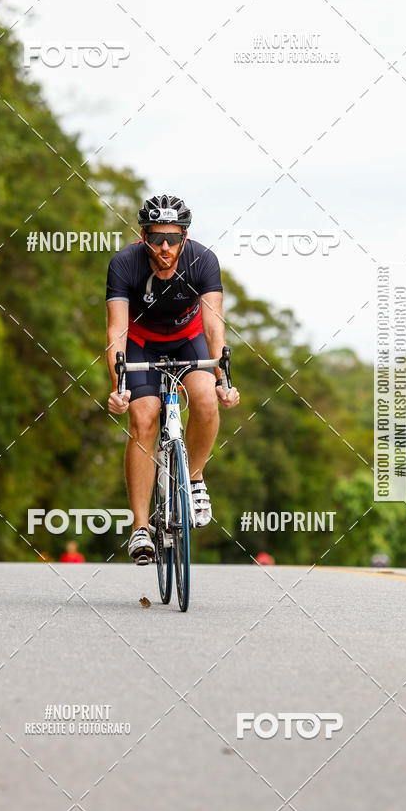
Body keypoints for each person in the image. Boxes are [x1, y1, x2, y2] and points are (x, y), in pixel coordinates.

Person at [106, 194, 240, 564]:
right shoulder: (124, 263)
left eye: (173, 238)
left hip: (188, 339)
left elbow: (214, 324)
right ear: (143, 235)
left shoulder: (203, 260)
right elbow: (116, 331)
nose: (165, 247)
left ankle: (194, 477)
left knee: (205, 399)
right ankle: (139, 528)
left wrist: (223, 378)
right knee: (143, 418)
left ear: (185, 236)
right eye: (156, 238)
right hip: (141, 344)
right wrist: (118, 388)